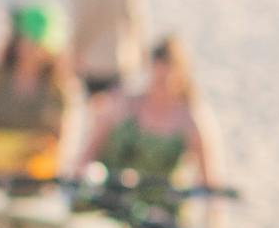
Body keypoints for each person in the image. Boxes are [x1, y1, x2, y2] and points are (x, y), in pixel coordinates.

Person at [71, 33, 225, 209]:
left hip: (158, 213)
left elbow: (210, 185)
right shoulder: (123, 104)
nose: (158, 88)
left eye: (165, 81)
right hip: (108, 201)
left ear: (180, 78)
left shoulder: (191, 119)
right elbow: (87, 155)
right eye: (155, 79)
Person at [0, 5, 67, 181]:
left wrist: (34, 155)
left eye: (39, 44)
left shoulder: (56, 90)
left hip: (28, 177)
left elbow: (57, 141)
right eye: (30, 42)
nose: (35, 50)